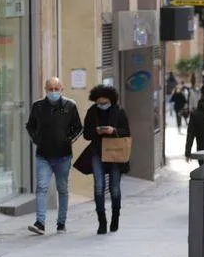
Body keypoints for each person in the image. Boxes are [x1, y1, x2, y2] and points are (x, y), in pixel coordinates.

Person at [25, 78, 83, 235]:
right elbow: (30, 126)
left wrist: (67, 140)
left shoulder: (70, 105)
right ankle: (40, 223)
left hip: (63, 156)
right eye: (50, 89)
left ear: (62, 89)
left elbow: (78, 127)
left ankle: (61, 223)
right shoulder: (37, 106)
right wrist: (37, 139)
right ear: (45, 89)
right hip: (43, 155)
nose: (53, 91)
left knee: (62, 189)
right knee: (41, 187)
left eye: (56, 88)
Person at [80, 85, 130, 235]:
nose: (102, 105)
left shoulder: (119, 111)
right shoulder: (92, 112)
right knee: (99, 187)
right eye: (99, 103)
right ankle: (102, 221)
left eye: (105, 103)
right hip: (97, 152)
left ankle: (115, 218)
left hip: (115, 153)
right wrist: (96, 131)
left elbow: (126, 132)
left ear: (111, 100)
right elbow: (86, 134)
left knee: (114, 188)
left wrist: (113, 130)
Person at [185, 85, 204, 162]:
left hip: (201, 151)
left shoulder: (195, 115)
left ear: (201, 94)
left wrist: (188, 152)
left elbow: (190, 134)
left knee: (203, 169)